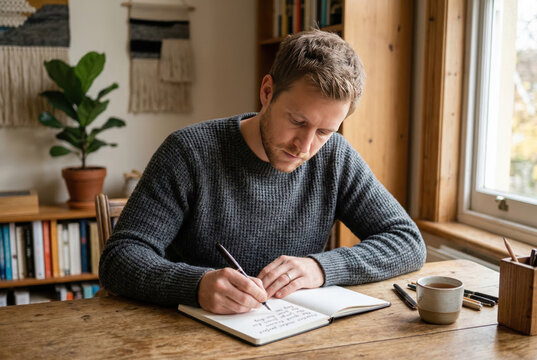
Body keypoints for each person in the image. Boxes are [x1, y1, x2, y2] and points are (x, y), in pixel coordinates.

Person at [99, 30, 426, 314]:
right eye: (298, 122)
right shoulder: (189, 152)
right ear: (267, 91)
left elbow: (407, 242)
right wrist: (196, 285)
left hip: (295, 335)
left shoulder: (335, 157)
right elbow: (120, 259)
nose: (305, 146)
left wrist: (320, 268)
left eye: (325, 131)